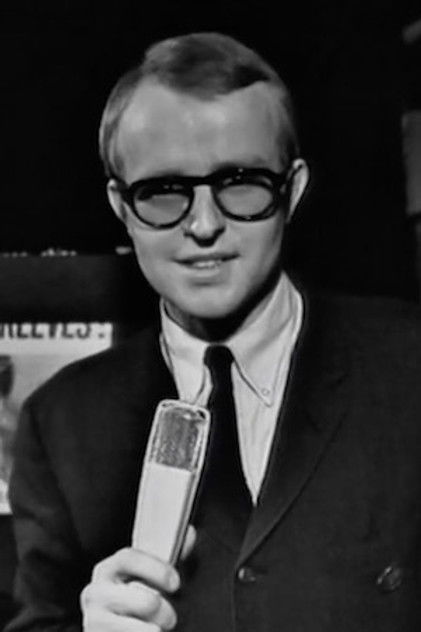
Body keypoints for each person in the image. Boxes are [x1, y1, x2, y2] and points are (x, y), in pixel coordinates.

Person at [6, 32, 421, 632]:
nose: (204, 225)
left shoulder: (407, 367)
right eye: (162, 193)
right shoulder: (60, 424)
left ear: (293, 189)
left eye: (241, 183)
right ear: (120, 205)